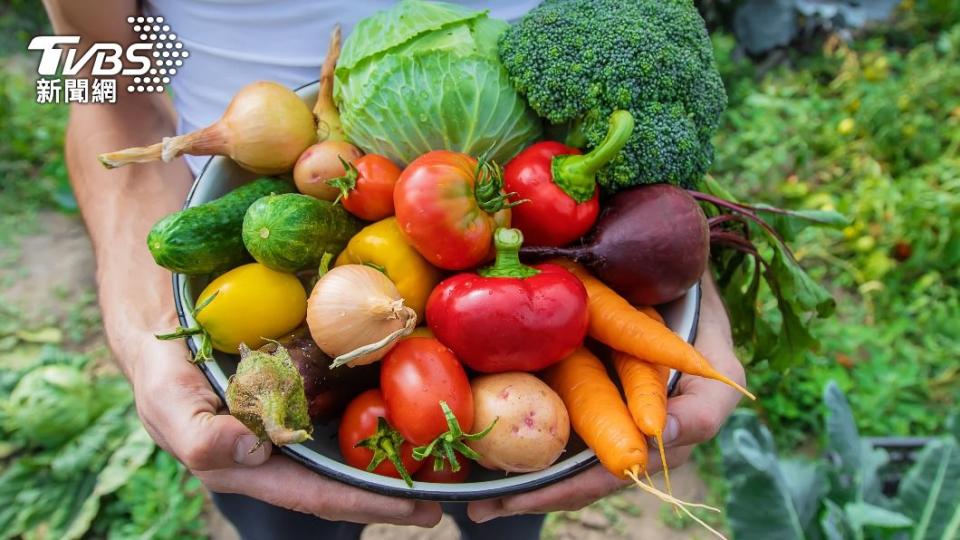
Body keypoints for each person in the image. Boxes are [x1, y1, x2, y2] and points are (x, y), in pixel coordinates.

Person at [43, 0, 747, 538]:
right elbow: (102, 82)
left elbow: (642, 68)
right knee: (282, 520)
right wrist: (144, 333)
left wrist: (670, 256)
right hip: (265, 190)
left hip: (560, 235)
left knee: (514, 497)